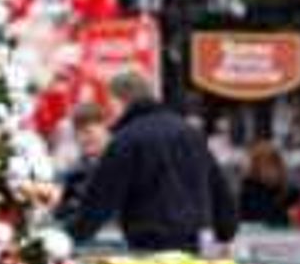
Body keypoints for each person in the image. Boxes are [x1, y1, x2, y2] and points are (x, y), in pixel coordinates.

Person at [66, 68, 237, 253]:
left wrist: (67, 237)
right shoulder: (189, 133)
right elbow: (218, 187)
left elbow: (99, 201)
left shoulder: (125, 140)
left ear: (118, 101)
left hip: (149, 246)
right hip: (195, 243)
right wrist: (226, 231)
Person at [56, 101, 110, 220]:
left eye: (88, 132)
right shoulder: (76, 170)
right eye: (78, 134)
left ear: (105, 127)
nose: (83, 138)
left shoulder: (122, 161)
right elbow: (61, 211)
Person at [238, 139, 300, 229]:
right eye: (264, 165)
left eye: (273, 165)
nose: (270, 170)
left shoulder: (291, 193)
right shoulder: (247, 192)